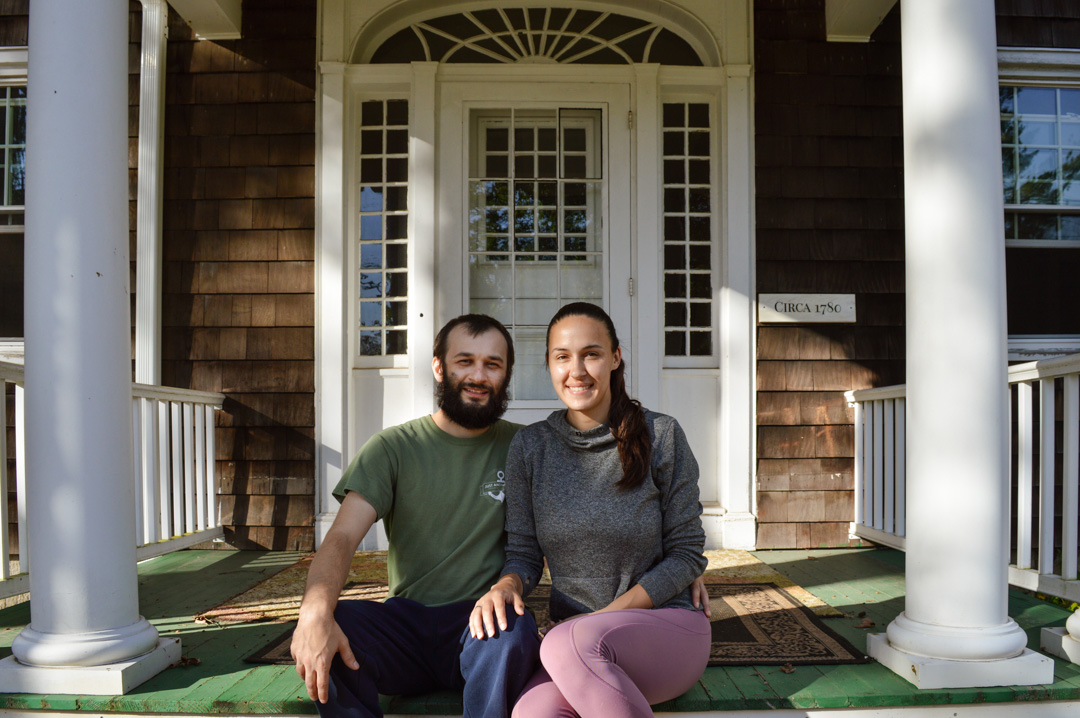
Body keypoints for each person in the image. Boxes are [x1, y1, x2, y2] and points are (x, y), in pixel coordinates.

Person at [291, 314, 542, 718]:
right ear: (439, 366)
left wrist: (682, 557)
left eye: (492, 364)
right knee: (331, 623)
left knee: (514, 631)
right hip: (403, 628)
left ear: (506, 374)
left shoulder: (526, 446)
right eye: (465, 361)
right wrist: (314, 612)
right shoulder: (392, 448)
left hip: (480, 624)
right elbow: (341, 538)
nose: (478, 375)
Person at [470, 302, 711, 718]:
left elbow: (687, 553)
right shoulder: (531, 448)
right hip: (573, 647)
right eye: (562, 357)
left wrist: (598, 620)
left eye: (592, 354)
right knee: (531, 713)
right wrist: (508, 585)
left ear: (615, 358)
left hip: (663, 628)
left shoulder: (662, 435)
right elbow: (524, 555)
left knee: (568, 643)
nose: (576, 370)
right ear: (548, 364)